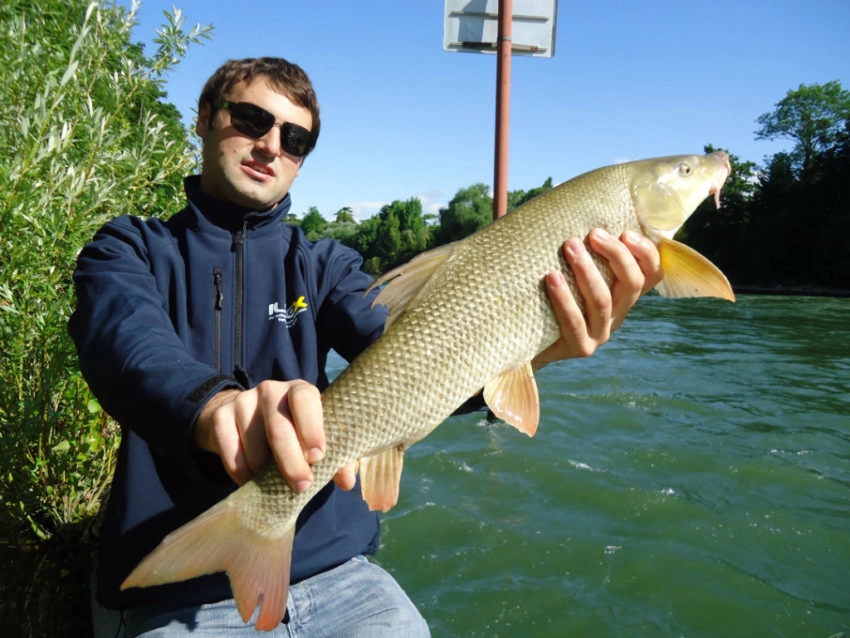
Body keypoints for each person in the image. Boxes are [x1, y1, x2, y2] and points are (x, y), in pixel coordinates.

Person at [70, 57, 662, 637]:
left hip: (339, 572)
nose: (271, 145)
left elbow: (422, 365)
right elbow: (125, 347)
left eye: (295, 138)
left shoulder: (324, 265)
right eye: (251, 120)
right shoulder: (128, 249)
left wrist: (538, 350)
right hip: (176, 590)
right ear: (203, 118)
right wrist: (215, 408)